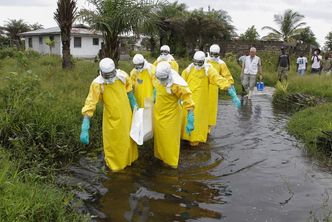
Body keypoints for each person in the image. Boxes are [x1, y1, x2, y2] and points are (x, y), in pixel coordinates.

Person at [80, 58, 139, 171]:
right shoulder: (97, 84)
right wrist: (85, 125)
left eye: (111, 74)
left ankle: (130, 160)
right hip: (111, 118)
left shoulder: (123, 76)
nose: (110, 77)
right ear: (101, 72)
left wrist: (134, 104)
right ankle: (116, 167)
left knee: (129, 139)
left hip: (127, 115)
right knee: (114, 144)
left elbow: (129, 90)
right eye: (107, 75)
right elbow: (90, 103)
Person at [181, 51, 241, 146]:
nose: (197, 65)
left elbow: (218, 79)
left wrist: (230, 91)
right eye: (195, 62)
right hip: (188, 98)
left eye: (199, 63)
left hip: (201, 100)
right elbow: (180, 81)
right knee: (186, 119)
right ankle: (185, 138)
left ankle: (195, 141)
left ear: (203, 61)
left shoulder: (208, 70)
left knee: (198, 120)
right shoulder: (188, 69)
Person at [153, 62, 195, 168]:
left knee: (170, 142)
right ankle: (162, 159)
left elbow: (188, 100)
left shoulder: (177, 84)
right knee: (160, 140)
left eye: (163, 79)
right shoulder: (157, 77)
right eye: (159, 78)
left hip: (171, 117)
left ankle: (171, 164)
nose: (161, 81)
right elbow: (156, 87)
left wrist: (190, 118)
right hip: (158, 114)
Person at [207, 44, 235, 130]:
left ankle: (208, 127)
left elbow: (227, 75)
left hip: (214, 88)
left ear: (218, 54)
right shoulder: (204, 61)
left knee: (211, 108)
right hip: (203, 87)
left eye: (216, 54)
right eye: (212, 54)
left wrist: (231, 87)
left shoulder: (221, 63)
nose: (213, 56)